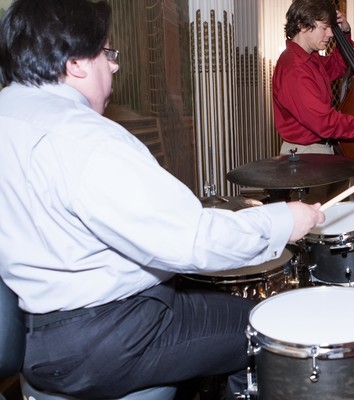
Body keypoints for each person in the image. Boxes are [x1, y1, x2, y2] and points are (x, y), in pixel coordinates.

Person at [0, 0, 324, 398]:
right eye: (106, 52)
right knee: (269, 328)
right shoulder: (83, 138)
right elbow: (192, 241)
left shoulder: (8, 115)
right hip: (111, 337)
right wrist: (285, 220)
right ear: (76, 64)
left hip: (38, 335)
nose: (114, 65)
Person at [272, 0, 354, 157]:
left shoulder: (310, 59)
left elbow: (337, 67)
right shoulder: (294, 68)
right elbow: (324, 122)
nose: (331, 33)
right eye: (324, 28)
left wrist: (345, 33)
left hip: (316, 149)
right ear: (302, 25)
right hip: (306, 152)